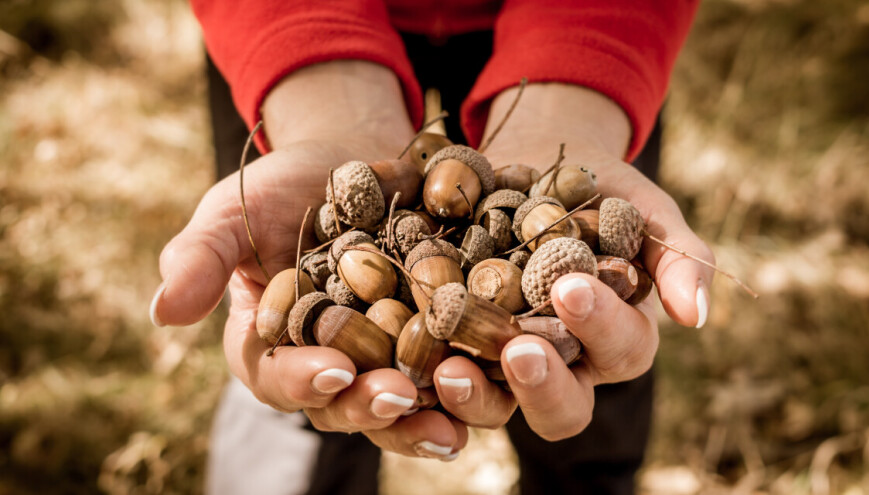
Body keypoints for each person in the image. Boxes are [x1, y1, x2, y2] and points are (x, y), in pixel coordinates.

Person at [150, 1, 714, 493]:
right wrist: (313, 71)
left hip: (577, 42)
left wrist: (581, 85)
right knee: (302, 398)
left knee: (587, 362)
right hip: (293, 44)